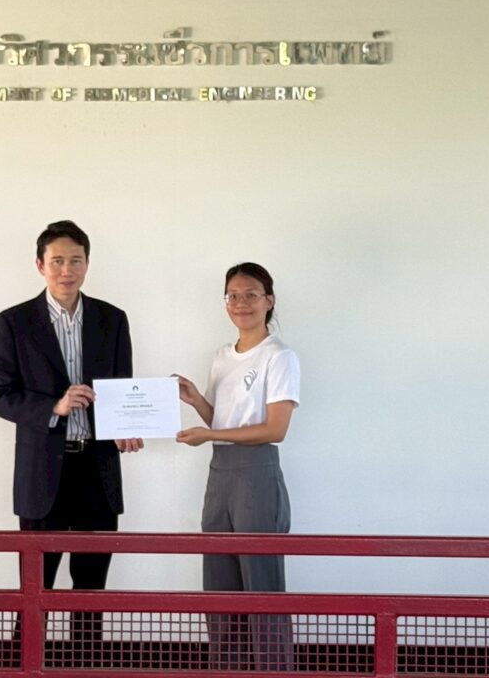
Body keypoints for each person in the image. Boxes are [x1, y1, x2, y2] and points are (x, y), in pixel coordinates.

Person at [0, 220, 142, 654]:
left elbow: (123, 389)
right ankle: (25, 664)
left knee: (91, 588)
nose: (66, 270)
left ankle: (86, 663)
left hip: (97, 468)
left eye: (75, 260)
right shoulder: (14, 322)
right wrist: (53, 407)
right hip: (42, 471)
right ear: (40, 265)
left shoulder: (113, 319)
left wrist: (128, 427)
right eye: (57, 261)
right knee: (35, 587)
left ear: (88, 264)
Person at [176, 262, 300, 671]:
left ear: (269, 300)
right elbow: (222, 420)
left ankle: (272, 670)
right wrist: (196, 399)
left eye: (251, 295)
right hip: (220, 475)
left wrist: (210, 434)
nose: (241, 303)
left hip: (257, 473)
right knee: (219, 584)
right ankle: (226, 670)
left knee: (261, 583)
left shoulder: (279, 356)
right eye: (233, 296)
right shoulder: (221, 357)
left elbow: (276, 428)